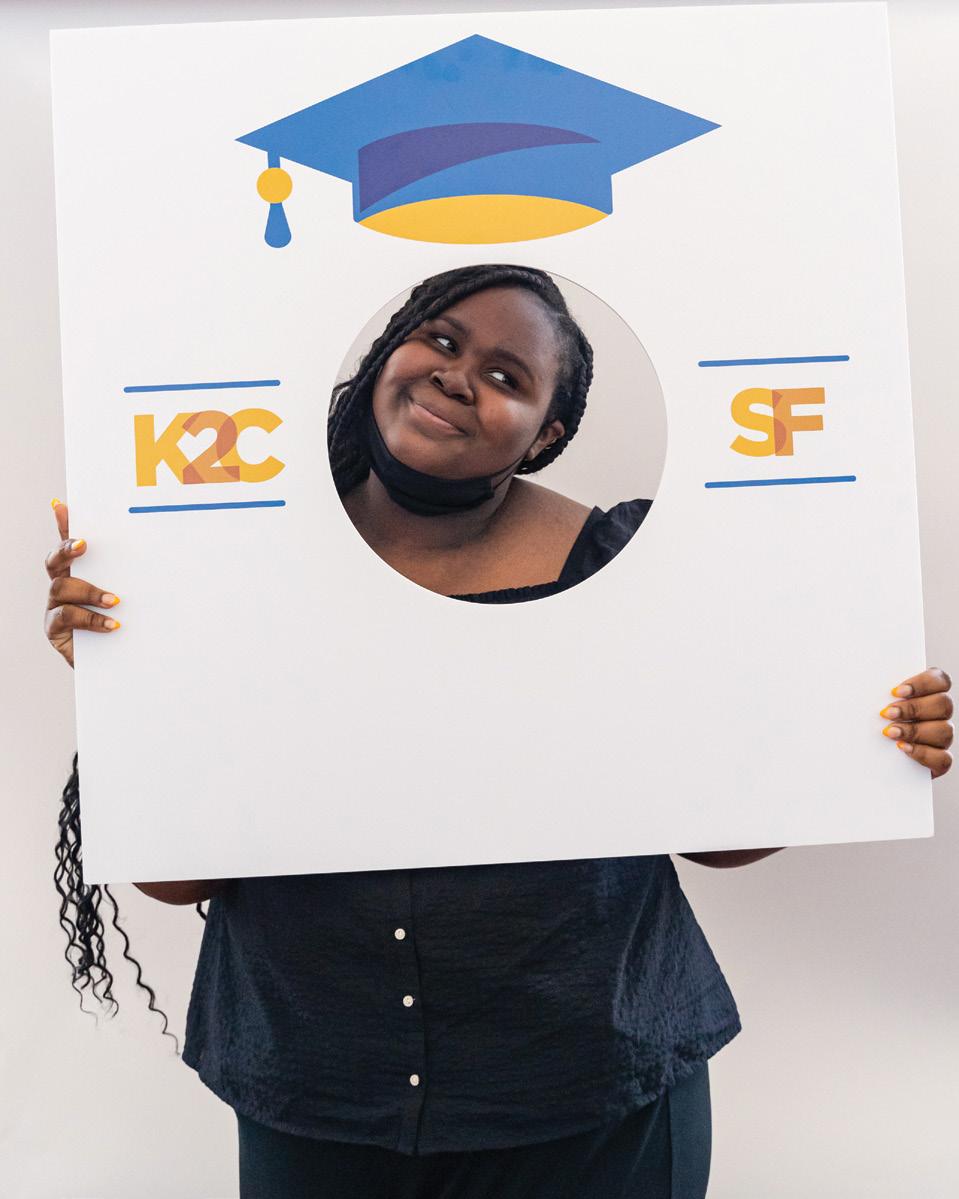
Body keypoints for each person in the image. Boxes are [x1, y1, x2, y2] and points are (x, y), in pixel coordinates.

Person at [44, 264, 954, 1198]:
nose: (456, 375)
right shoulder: (224, 563)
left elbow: (716, 840)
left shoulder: (624, 568)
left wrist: (853, 747)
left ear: (546, 433)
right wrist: (129, 686)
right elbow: (177, 882)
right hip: (320, 1092)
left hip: (591, 1102)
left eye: (505, 375)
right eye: (439, 340)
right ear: (386, 352)